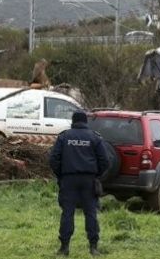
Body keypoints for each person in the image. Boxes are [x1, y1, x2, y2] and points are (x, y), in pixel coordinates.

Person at [49, 110, 109, 256]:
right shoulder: (94, 137)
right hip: (89, 180)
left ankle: (64, 247)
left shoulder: (64, 137)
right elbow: (105, 161)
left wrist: (61, 175)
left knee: (67, 213)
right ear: (85, 121)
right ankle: (93, 247)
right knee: (91, 213)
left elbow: (53, 159)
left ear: (73, 121)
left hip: (68, 179)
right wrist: (96, 174)